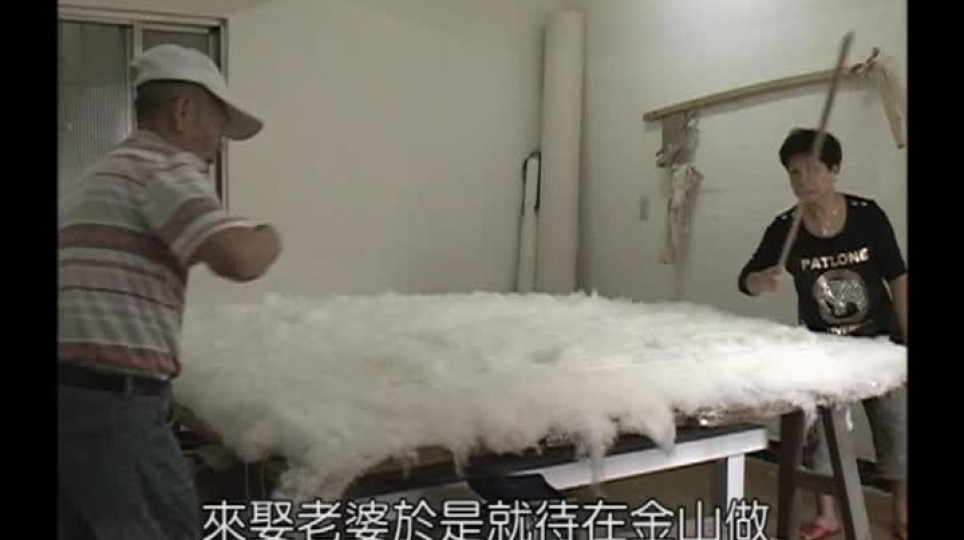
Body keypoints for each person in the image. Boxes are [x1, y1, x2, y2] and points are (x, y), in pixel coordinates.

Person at [58, 44, 282, 539]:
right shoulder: (162, 167)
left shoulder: (96, 176)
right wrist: (269, 236)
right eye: (218, 127)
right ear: (183, 111)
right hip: (114, 410)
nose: (217, 148)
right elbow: (240, 259)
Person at [737, 128, 908, 540]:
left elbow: (898, 276)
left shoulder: (867, 215)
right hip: (822, 349)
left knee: (898, 429)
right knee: (823, 437)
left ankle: (903, 509)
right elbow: (745, 280)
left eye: (813, 170)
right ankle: (827, 514)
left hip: (880, 342)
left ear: (834, 170)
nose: (803, 180)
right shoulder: (785, 228)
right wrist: (762, 280)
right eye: (794, 172)